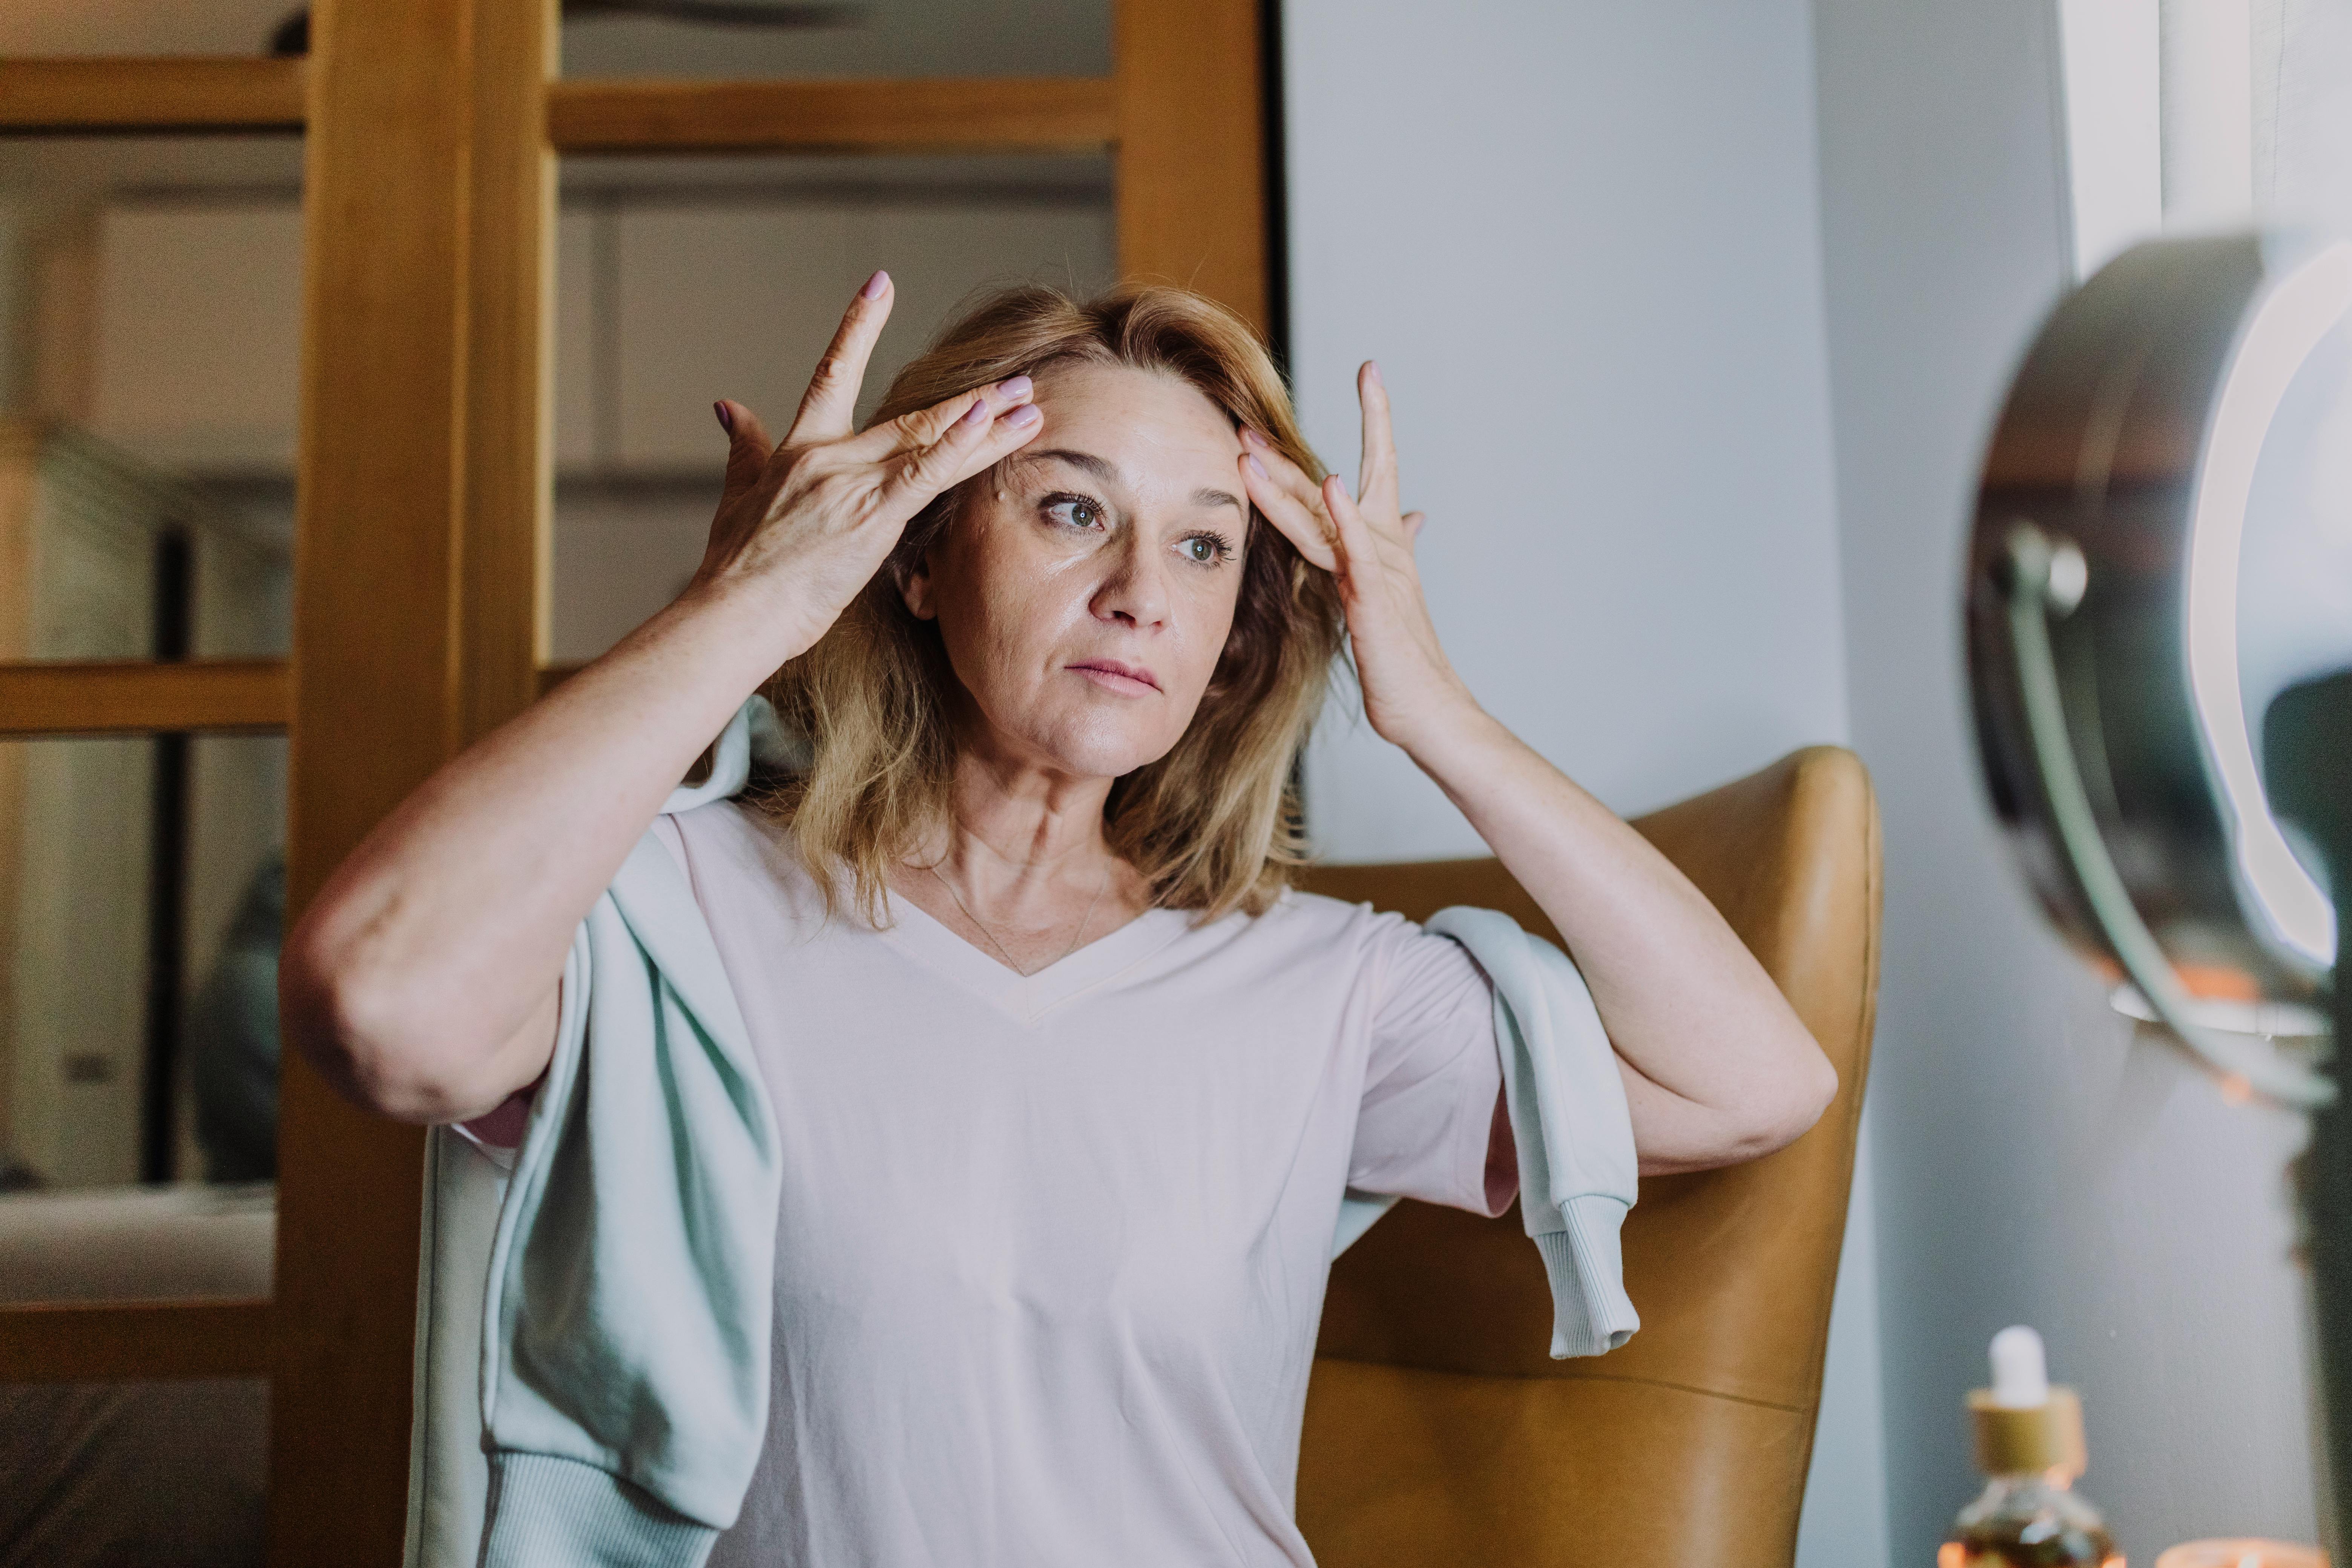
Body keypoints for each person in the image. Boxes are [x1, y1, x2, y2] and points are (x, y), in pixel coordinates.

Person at [282, 275, 1836, 1565]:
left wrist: (1435, 709)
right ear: (920, 560)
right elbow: (380, 1001)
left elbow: (1753, 1082)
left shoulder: (1325, 989)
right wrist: (750, 604)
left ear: (1240, 630)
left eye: (1207, 543)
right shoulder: (686, 913)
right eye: (1071, 510)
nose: (1141, 589)